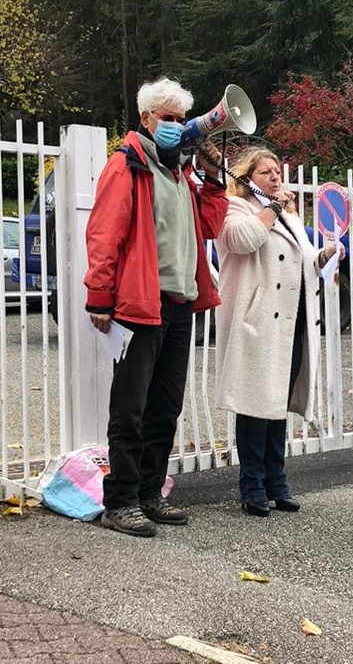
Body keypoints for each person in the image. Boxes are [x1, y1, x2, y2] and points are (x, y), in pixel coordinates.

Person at [85, 77, 228, 537]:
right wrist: (100, 296)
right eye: (167, 118)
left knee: (165, 406)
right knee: (130, 408)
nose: (177, 126)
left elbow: (209, 226)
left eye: (181, 118)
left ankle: (149, 494)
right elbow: (105, 234)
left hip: (178, 304)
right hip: (137, 305)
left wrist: (213, 176)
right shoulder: (127, 166)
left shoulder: (180, 174)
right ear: (146, 119)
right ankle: (121, 501)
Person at [215, 148, 341, 517]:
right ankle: (251, 485)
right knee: (254, 405)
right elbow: (242, 241)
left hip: (291, 320)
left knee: (277, 404)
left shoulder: (289, 216)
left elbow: (301, 263)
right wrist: (271, 208)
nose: (275, 177)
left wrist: (322, 256)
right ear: (247, 176)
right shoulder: (235, 207)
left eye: (277, 172)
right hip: (256, 321)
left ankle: (276, 480)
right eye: (266, 172)